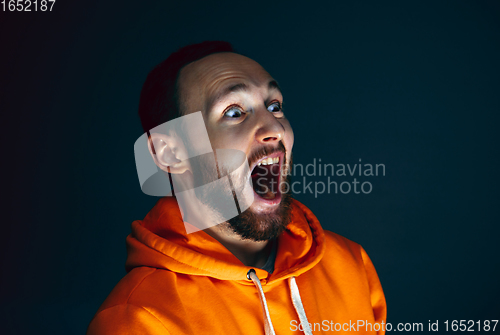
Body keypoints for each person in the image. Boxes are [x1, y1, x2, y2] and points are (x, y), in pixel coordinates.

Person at [87, 41, 387, 335]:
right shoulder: (137, 320)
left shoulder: (351, 266)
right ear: (170, 153)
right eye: (234, 112)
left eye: (275, 106)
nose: (275, 127)